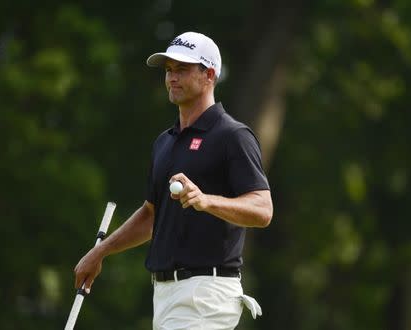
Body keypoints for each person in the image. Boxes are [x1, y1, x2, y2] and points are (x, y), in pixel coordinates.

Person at [74, 31, 273, 329]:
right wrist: (100, 251)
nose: (172, 78)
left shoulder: (232, 136)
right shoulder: (164, 143)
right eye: (168, 71)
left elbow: (263, 210)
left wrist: (205, 201)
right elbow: (152, 216)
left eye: (182, 69)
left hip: (206, 292)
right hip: (166, 295)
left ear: (209, 75)